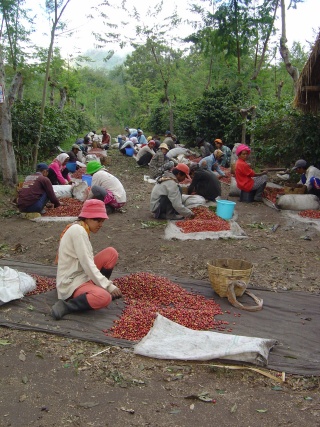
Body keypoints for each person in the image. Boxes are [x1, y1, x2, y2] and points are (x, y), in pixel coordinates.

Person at [51, 199, 122, 320]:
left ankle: (95, 286)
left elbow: (87, 262)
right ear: (87, 218)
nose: (100, 224)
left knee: (111, 253)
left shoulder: (82, 228)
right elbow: (87, 264)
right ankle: (68, 305)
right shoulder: (78, 231)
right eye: (96, 220)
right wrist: (108, 286)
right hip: (72, 281)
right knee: (104, 297)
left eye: (102, 221)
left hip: (83, 274)